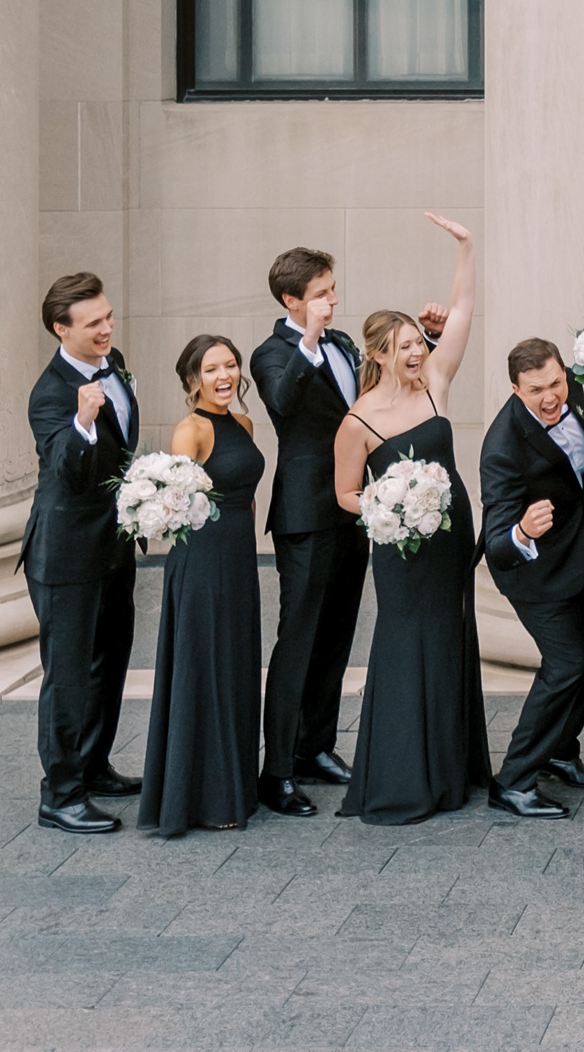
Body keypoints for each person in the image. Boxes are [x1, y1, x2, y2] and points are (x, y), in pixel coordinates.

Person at [332, 213, 487, 826]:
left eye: (421, 345)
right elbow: (344, 493)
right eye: (407, 348)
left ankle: (452, 771)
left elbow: (465, 306)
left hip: (451, 541)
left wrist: (467, 247)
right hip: (400, 551)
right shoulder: (358, 421)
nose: (419, 353)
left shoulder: (436, 385)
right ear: (379, 354)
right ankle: (401, 777)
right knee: (404, 646)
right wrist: (386, 508)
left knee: (450, 642)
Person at [249, 246, 366, 818]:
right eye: (322, 293)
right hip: (305, 515)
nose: (333, 300)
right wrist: (309, 342)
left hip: (354, 509)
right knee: (298, 642)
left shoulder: (344, 344)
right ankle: (277, 772)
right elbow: (282, 402)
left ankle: (317, 745)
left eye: (333, 289)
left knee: (337, 636)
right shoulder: (271, 353)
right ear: (292, 300)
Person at [23, 272, 140, 834]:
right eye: (93, 323)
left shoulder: (111, 365)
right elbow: (68, 471)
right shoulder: (50, 393)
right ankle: (61, 794)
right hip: (66, 555)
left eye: (108, 316)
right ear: (60, 328)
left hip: (112, 545)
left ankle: (93, 765)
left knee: (109, 661)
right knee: (67, 675)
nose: (107, 329)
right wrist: (83, 421)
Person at [139, 334, 264, 835]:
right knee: (205, 668)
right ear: (193, 379)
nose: (224, 376)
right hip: (202, 562)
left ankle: (234, 786)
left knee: (235, 665)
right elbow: (177, 508)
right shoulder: (189, 432)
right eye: (212, 369)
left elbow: (248, 497)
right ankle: (205, 798)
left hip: (238, 561)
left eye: (230, 365)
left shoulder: (245, 422)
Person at [481, 337, 584, 820]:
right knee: (566, 663)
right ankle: (513, 780)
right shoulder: (502, 449)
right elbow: (496, 541)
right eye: (536, 390)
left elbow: (577, 459)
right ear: (516, 390)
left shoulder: (569, 388)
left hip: (577, 547)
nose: (551, 396)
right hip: (534, 569)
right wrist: (521, 529)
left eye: (555, 382)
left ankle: (559, 749)